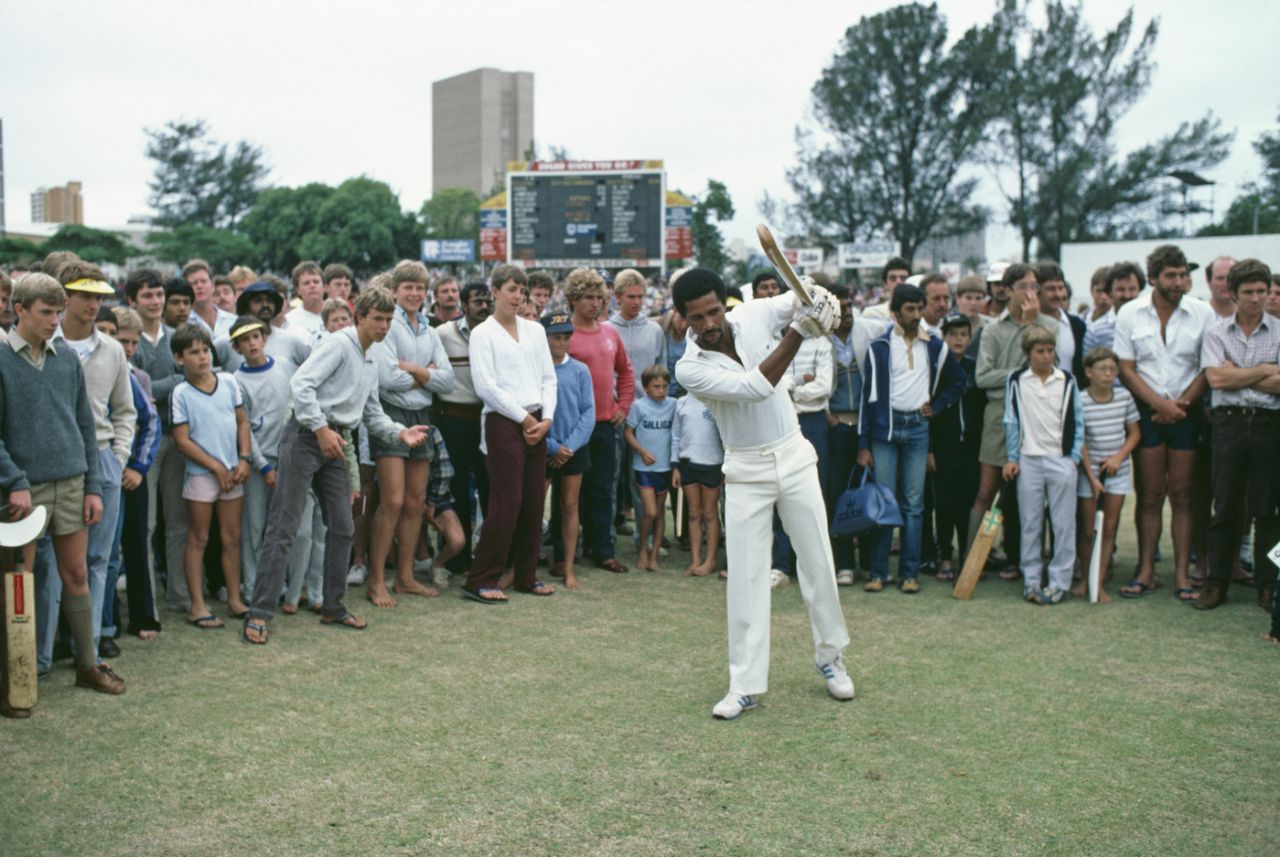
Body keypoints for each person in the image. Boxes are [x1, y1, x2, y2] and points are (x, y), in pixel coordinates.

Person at [674, 268, 853, 720]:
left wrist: (816, 296)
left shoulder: (753, 314)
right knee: (747, 578)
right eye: (697, 317)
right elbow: (755, 387)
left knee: (818, 562)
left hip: (793, 453)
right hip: (745, 469)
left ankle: (831, 657)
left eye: (714, 311)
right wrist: (799, 330)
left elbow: (798, 296)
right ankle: (744, 685)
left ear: (725, 304)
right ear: (683, 319)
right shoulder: (689, 367)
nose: (709, 323)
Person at [242, 288, 429, 644]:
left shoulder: (371, 358)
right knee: (284, 526)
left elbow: (372, 413)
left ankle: (333, 606)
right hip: (306, 436)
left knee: (343, 526)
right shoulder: (339, 344)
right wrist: (320, 428)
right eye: (377, 319)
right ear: (360, 317)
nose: (384, 326)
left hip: (336, 441)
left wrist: (400, 432)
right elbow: (301, 385)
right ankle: (259, 614)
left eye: (388, 320)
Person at [0, 273, 122, 701]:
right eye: (46, 312)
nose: (55, 320)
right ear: (19, 310)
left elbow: (85, 426)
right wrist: (14, 481)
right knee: (20, 581)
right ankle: (17, 679)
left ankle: (88, 665)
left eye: (58, 311)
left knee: (76, 574)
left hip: (71, 484)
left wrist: (92, 486)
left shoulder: (66, 359)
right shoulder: (1, 359)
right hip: (23, 491)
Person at [34, 263, 135, 670]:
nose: (94, 304)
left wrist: (119, 457)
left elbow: (125, 410)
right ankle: (41, 655)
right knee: (47, 562)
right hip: (53, 464)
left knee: (97, 560)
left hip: (103, 458)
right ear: (65, 298)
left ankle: (86, 654)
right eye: (85, 296)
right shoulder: (41, 342)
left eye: (99, 297)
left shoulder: (111, 349)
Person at [1114, 245, 1214, 600]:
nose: (1179, 282)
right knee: (1151, 495)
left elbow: (1208, 367)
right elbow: (1125, 368)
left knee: (1183, 495)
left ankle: (1182, 576)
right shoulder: (1130, 313)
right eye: (1171, 275)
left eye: (1183, 275)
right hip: (1147, 412)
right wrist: (1159, 405)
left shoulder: (1202, 312)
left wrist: (1178, 407)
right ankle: (1146, 572)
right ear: (1153, 278)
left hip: (1187, 411)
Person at [857, 285, 965, 593]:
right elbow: (867, 397)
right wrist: (863, 444)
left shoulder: (933, 345)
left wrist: (938, 406)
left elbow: (959, 381)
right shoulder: (880, 347)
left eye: (919, 308)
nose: (916, 315)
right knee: (884, 502)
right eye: (910, 309)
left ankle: (909, 573)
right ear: (895, 313)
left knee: (914, 505)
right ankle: (879, 572)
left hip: (918, 428)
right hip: (885, 430)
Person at [462, 265, 557, 604]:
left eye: (522, 291)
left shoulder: (535, 330)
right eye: (512, 290)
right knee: (507, 501)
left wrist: (546, 419)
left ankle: (526, 576)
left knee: (534, 501)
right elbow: (486, 386)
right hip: (503, 421)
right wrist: (524, 418)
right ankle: (481, 578)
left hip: (537, 419)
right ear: (496, 291)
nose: (518, 297)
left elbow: (549, 378)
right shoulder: (483, 334)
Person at [366, 261, 455, 607]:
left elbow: (448, 381)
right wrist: (427, 375)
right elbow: (387, 379)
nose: (415, 293)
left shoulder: (430, 331)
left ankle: (404, 578)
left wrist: (414, 369)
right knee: (392, 501)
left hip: (422, 414)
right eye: (409, 287)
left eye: (420, 288)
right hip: (392, 413)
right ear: (395, 290)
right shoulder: (388, 326)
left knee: (416, 502)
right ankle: (376, 580)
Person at [1194, 259, 1280, 612]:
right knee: (1225, 505)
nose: (1257, 298)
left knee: (1267, 510)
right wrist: (1265, 370)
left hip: (1268, 424)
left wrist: (1238, 373)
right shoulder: (1217, 333)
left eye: (1262, 291)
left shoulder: (1279, 331)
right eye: (1249, 292)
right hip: (1228, 423)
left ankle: (1268, 585)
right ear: (1233, 293)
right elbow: (1216, 379)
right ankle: (1216, 583)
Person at [970, 264, 1054, 581]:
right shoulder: (993, 329)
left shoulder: (1048, 326)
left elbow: (1049, 372)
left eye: (1035, 286)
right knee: (986, 490)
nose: (1031, 293)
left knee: (1028, 494)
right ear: (1008, 290)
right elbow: (983, 377)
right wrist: (1021, 375)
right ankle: (972, 562)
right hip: (998, 414)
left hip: (1036, 415)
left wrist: (1031, 327)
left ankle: (1022, 559)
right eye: (1024, 286)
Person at [169, 324, 252, 627]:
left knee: (232, 537)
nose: (202, 357)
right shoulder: (181, 393)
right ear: (180, 358)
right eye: (194, 352)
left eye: (205, 350)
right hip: (201, 475)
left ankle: (234, 599)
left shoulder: (228, 381)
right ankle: (197, 606)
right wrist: (215, 467)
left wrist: (244, 458)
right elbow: (182, 440)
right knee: (199, 538)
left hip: (233, 471)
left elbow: (242, 422)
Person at [1002, 326, 1084, 605]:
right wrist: (1013, 457)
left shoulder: (1067, 380)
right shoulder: (1017, 380)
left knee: (1063, 524)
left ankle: (1059, 581)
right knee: (1030, 522)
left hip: (1060, 458)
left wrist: (1073, 458)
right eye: (1040, 351)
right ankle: (1032, 579)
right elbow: (1011, 420)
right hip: (1029, 459)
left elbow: (1078, 421)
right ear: (1028, 353)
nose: (1046, 356)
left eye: (1050, 350)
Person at [563, 268, 634, 573]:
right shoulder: (565, 335)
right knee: (569, 494)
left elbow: (626, 372)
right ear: (573, 299)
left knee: (603, 490)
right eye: (588, 297)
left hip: (605, 424)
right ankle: (565, 551)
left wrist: (623, 406)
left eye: (599, 298)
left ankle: (602, 549)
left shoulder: (610, 334)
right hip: (572, 427)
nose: (595, 303)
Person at [229, 317, 294, 607]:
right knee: (255, 527)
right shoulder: (236, 381)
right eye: (245, 340)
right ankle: (254, 587)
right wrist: (263, 466)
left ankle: (279, 584)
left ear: (264, 339)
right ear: (237, 347)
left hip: (288, 456)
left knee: (280, 527)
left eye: (256, 337)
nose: (252, 343)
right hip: (259, 463)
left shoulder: (284, 365)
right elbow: (243, 427)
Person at [108, 307, 163, 641]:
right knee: (107, 548)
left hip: (132, 471)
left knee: (137, 540)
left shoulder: (139, 377)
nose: (128, 348)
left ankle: (143, 615)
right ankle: (108, 619)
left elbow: (150, 425)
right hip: (106, 470)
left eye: (133, 342)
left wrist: (139, 468)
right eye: (122, 341)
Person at [1069, 347, 1140, 603]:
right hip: (1089, 474)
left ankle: (1098, 583)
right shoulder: (1080, 399)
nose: (1109, 374)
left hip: (1117, 472)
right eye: (1103, 369)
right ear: (1089, 372)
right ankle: (1084, 580)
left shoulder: (1124, 397)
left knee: (1109, 529)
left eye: (1113, 369)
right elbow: (1080, 442)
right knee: (1088, 531)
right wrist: (1091, 477)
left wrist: (1118, 458)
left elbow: (1134, 433)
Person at [434, 281, 492, 577]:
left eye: (486, 301)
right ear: (464, 305)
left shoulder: (496, 332)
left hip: (487, 418)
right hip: (454, 419)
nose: (483, 306)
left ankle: (491, 556)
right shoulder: (444, 333)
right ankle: (457, 558)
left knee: (489, 485)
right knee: (455, 488)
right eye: (477, 301)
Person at [608, 268, 666, 544]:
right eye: (631, 296)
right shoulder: (606, 329)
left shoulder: (654, 331)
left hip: (645, 416)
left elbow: (662, 371)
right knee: (610, 478)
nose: (637, 302)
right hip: (613, 414)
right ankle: (604, 538)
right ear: (618, 297)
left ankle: (647, 538)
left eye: (640, 296)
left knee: (643, 479)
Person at [930, 313, 984, 580]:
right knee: (945, 503)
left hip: (971, 446)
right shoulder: (937, 368)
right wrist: (929, 449)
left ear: (970, 338)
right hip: (944, 445)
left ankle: (967, 555)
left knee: (967, 502)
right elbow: (929, 411)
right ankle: (945, 556)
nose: (958, 339)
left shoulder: (976, 367)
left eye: (963, 334)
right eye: (952, 334)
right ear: (944, 337)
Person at [543, 312, 595, 589]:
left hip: (574, 449)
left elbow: (588, 413)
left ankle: (569, 566)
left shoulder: (580, 370)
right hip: (544, 446)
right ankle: (524, 564)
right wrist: (551, 445)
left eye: (566, 337)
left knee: (569, 505)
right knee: (533, 507)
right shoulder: (538, 370)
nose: (562, 343)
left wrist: (569, 446)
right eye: (556, 337)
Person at [625, 365, 678, 572]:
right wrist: (641, 451)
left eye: (665, 386)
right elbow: (628, 432)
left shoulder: (673, 405)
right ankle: (642, 549)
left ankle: (654, 556)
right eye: (656, 386)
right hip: (644, 468)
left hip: (664, 467)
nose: (661, 390)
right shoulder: (639, 406)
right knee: (650, 512)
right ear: (646, 387)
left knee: (660, 514)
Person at [672, 390, 723, 577]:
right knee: (694, 513)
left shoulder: (716, 400)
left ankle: (710, 560)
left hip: (712, 463)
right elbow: (676, 435)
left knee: (710, 513)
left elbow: (725, 435)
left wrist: (725, 464)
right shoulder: (681, 402)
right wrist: (675, 466)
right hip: (687, 464)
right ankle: (695, 559)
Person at [1037, 263, 1086, 383]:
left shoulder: (1077, 325)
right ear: (1037, 290)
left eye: (1060, 288)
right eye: (1051, 289)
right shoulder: (1028, 323)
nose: (1057, 294)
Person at [184, 259, 237, 338]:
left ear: (212, 286)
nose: (199, 286)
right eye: (194, 283)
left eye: (203, 281)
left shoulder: (233, 320)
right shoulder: (184, 323)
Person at [284, 261, 326, 336]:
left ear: (324, 287)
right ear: (297, 290)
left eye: (316, 282)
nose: (312, 286)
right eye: (306, 283)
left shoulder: (339, 316)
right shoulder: (289, 320)